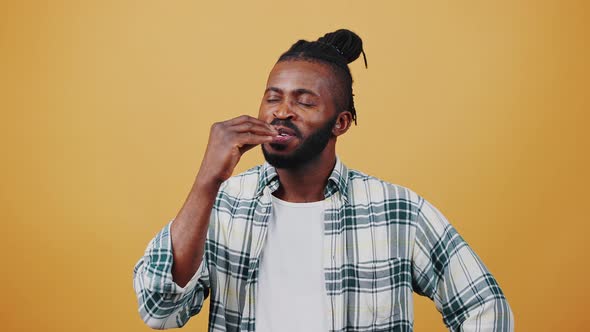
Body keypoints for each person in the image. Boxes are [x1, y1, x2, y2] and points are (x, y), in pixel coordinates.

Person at [133, 29, 514, 332]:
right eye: (273, 98)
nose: (282, 111)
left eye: (304, 101)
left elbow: (485, 308)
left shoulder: (399, 211)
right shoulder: (223, 204)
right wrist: (206, 181)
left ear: (340, 122)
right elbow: (158, 310)